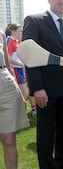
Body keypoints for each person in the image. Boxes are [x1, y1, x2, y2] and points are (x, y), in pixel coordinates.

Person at [22, 0, 63, 169]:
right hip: (45, 89)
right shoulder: (35, 21)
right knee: (46, 132)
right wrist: (37, 88)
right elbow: (28, 56)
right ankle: (46, 166)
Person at [0, 29, 29, 169]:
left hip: (6, 87)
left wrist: (18, 91)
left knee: (9, 139)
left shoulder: (1, 34)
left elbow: (8, 65)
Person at [5, 23, 37, 118]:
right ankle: (17, 113)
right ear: (13, 32)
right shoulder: (9, 40)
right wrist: (20, 64)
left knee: (28, 90)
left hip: (22, 69)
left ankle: (32, 109)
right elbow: (8, 58)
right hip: (16, 70)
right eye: (20, 31)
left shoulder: (17, 41)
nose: (22, 33)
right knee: (24, 93)